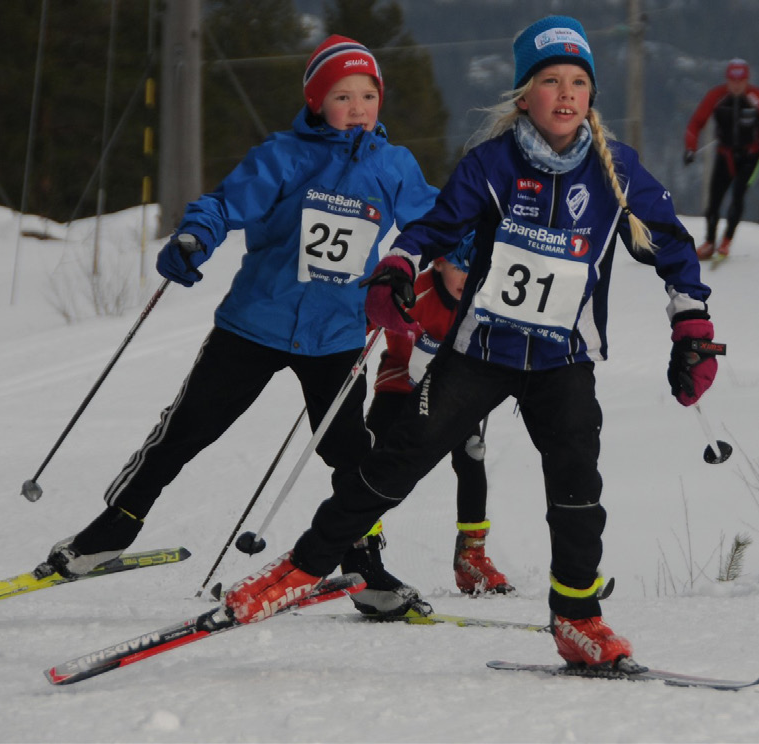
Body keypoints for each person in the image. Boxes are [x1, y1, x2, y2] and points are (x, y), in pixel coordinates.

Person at [222, 16, 719, 673]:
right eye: (549, 82)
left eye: (578, 82)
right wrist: (398, 269)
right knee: (395, 461)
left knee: (577, 485)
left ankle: (577, 618)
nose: (566, 94)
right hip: (481, 352)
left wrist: (693, 327)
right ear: (523, 96)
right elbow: (433, 226)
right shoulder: (492, 164)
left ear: (590, 96)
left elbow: (673, 245)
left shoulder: (614, 168)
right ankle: (300, 570)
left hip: (561, 358)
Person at [41, 35, 437, 619]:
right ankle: (113, 527)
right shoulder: (285, 155)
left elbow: (439, 221)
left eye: (368, 95)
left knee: (351, 453)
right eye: (341, 95)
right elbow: (225, 203)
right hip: (255, 322)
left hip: (336, 336)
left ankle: (363, 560)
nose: (357, 107)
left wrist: (460, 252)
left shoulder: (395, 166)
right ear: (315, 101)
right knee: (185, 429)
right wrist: (195, 236)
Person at [344, 233, 513, 618]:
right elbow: (384, 327)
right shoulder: (417, 289)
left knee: (471, 456)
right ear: (438, 263)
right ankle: (359, 536)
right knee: (377, 457)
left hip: (454, 389)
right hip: (400, 383)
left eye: (474, 270)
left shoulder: (482, 296)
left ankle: (472, 554)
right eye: (458, 267)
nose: (465, 277)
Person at [684, 58, 759, 260]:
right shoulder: (717, 96)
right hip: (725, 155)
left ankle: (726, 241)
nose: (736, 85)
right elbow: (696, 123)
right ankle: (710, 242)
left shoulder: (757, 97)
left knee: (738, 195)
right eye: (732, 80)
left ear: (747, 80)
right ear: (727, 80)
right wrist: (690, 149)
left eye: (741, 80)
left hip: (751, 156)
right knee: (713, 202)